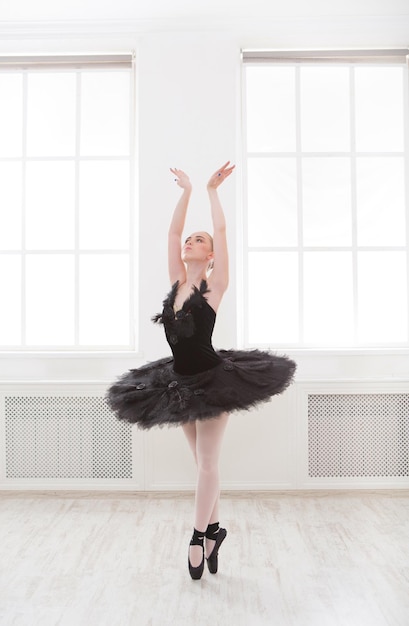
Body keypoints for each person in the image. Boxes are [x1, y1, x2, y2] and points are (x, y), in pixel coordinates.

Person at [106, 162, 296, 580]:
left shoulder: (214, 286)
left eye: (199, 240)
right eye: (190, 239)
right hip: (177, 383)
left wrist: (212, 191)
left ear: (209, 256)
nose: (190, 241)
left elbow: (223, 234)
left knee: (208, 463)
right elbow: (171, 234)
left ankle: (196, 537)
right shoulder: (177, 282)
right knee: (201, 465)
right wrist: (185, 190)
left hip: (213, 381)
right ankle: (214, 530)